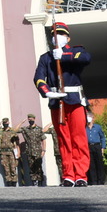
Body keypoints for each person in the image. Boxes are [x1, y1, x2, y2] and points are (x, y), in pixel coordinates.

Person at [33, 21, 91, 186]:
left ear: (68, 37)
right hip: (57, 102)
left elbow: (87, 58)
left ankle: (80, 174)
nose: (56, 37)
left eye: (60, 34)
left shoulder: (76, 51)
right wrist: (46, 91)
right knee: (63, 139)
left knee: (78, 138)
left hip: (75, 101)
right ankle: (68, 174)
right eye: (53, 34)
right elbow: (38, 77)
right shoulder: (46, 58)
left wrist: (64, 56)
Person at [19, 113, 48, 186]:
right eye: (29, 119)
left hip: (38, 152)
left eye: (31, 119)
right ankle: (34, 180)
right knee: (31, 167)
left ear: (34, 119)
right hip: (29, 151)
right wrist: (22, 122)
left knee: (38, 166)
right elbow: (15, 130)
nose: (30, 120)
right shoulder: (25, 129)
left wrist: (44, 150)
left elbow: (43, 139)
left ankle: (40, 181)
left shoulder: (39, 129)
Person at [0, 117, 20, 187]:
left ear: (8, 123)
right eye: (4, 123)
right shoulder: (0, 131)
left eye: (6, 123)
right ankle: (9, 182)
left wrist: (18, 152)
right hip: (3, 153)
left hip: (11, 152)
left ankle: (14, 182)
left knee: (13, 168)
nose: (5, 124)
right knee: (6, 169)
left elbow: (17, 142)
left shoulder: (12, 131)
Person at [86, 113, 107, 185]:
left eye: (90, 117)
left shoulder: (98, 127)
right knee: (91, 164)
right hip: (88, 146)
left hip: (97, 146)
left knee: (99, 164)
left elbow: (102, 137)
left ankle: (101, 181)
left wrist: (103, 148)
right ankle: (93, 181)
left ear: (93, 118)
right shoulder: (84, 128)